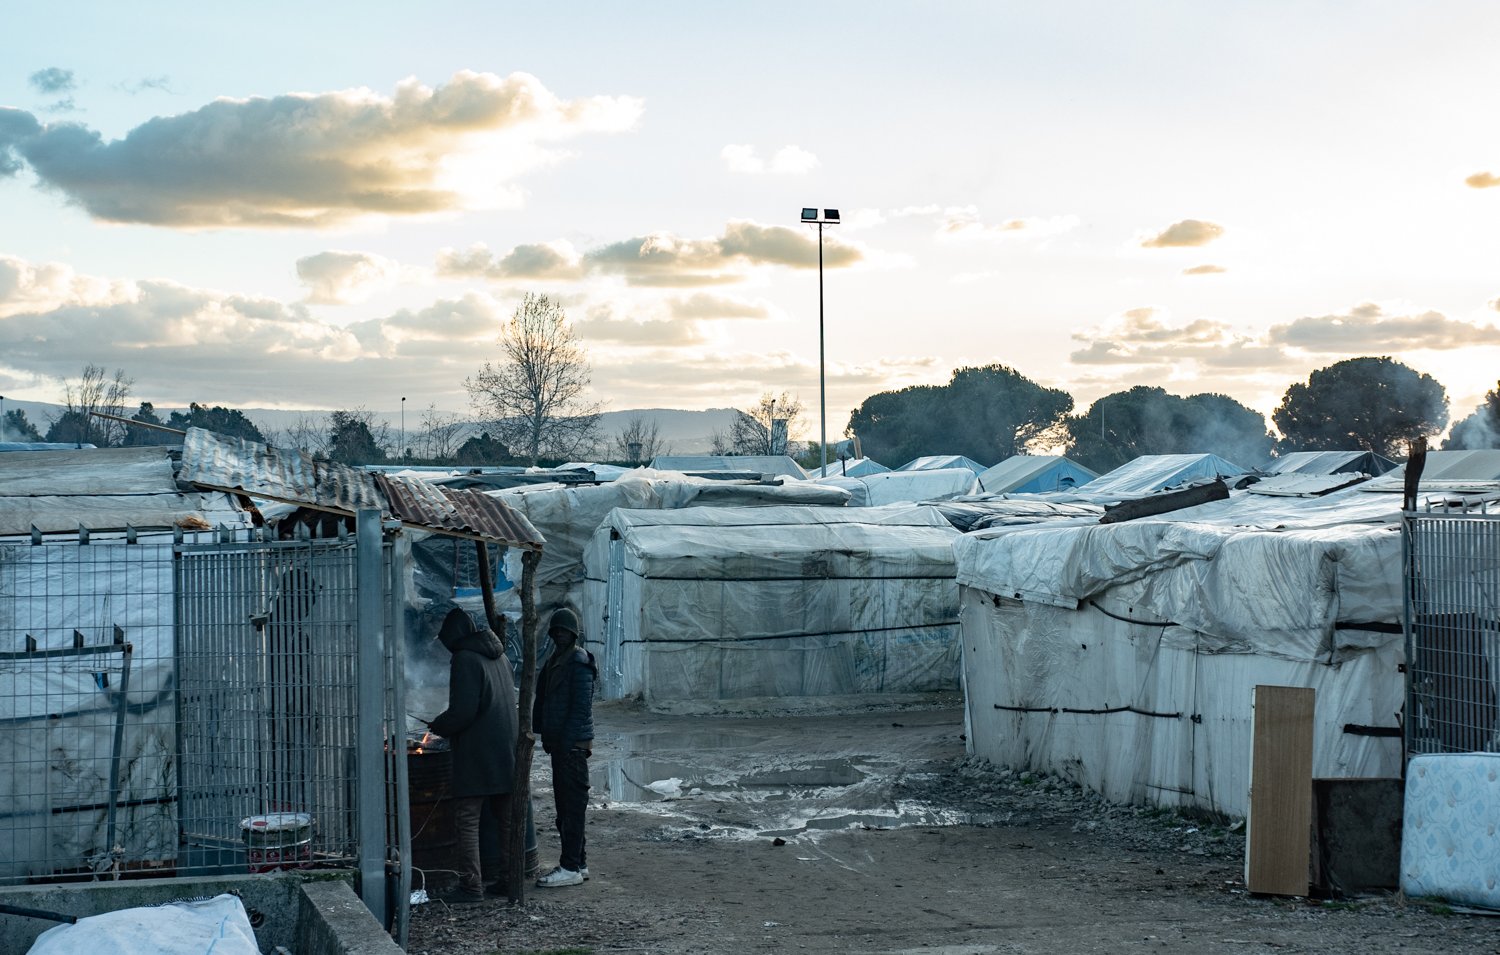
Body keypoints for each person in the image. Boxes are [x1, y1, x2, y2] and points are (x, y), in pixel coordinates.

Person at [428, 607, 517, 903]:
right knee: (506, 819)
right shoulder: (500, 656)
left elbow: (463, 712)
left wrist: (439, 725)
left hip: (478, 753)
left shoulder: (465, 659)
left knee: (466, 818)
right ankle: (509, 879)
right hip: (506, 749)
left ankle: (471, 886)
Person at [532, 607, 596, 888]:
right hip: (562, 745)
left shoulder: (578, 662)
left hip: (572, 747)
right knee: (566, 808)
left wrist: (567, 743)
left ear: (573, 633)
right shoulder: (557, 659)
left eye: (564, 631)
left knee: (572, 808)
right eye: (556, 630)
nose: (559, 634)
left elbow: (581, 707)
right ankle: (578, 862)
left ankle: (570, 866)